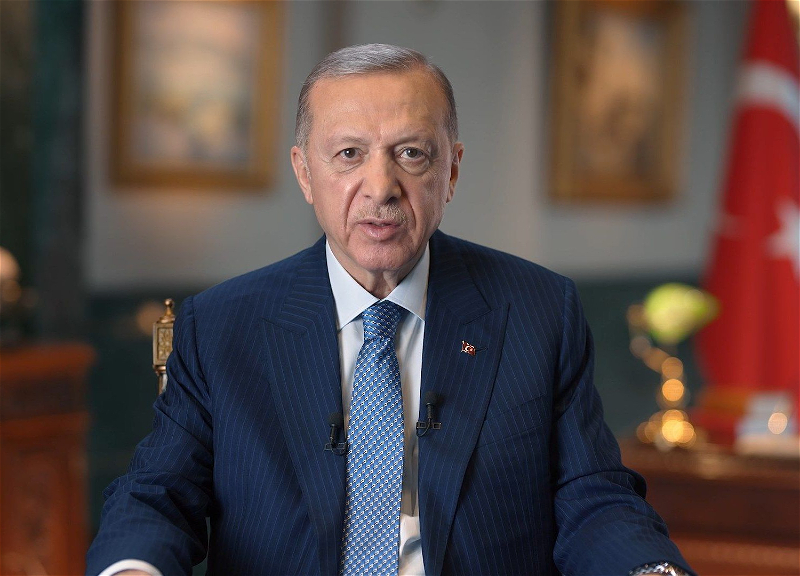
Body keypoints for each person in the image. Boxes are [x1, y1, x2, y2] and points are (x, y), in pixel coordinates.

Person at [87, 44, 694, 576]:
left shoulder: (538, 312)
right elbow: (158, 493)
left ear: (451, 171)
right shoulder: (222, 327)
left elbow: (592, 496)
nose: (380, 187)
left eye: (410, 153)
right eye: (349, 153)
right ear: (305, 172)